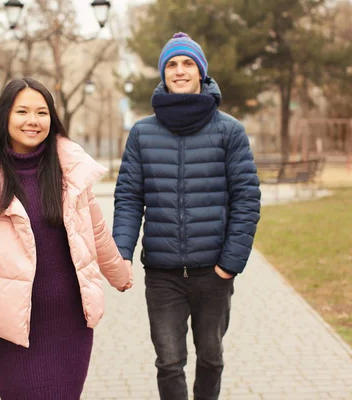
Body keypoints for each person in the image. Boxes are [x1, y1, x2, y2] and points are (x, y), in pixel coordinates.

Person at [0, 77, 133, 400]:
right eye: (22, 112)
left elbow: (96, 231)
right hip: (13, 331)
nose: (33, 121)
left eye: (42, 112)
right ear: (4, 117)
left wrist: (119, 273)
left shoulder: (71, 170)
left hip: (69, 324)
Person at [113, 32, 261, 400]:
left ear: (200, 72)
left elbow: (246, 199)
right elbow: (129, 197)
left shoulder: (230, 131)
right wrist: (121, 253)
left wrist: (229, 264)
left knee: (210, 358)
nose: (179, 71)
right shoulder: (142, 133)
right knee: (168, 362)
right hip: (163, 275)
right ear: (164, 74)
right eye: (172, 65)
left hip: (213, 272)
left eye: (187, 63)